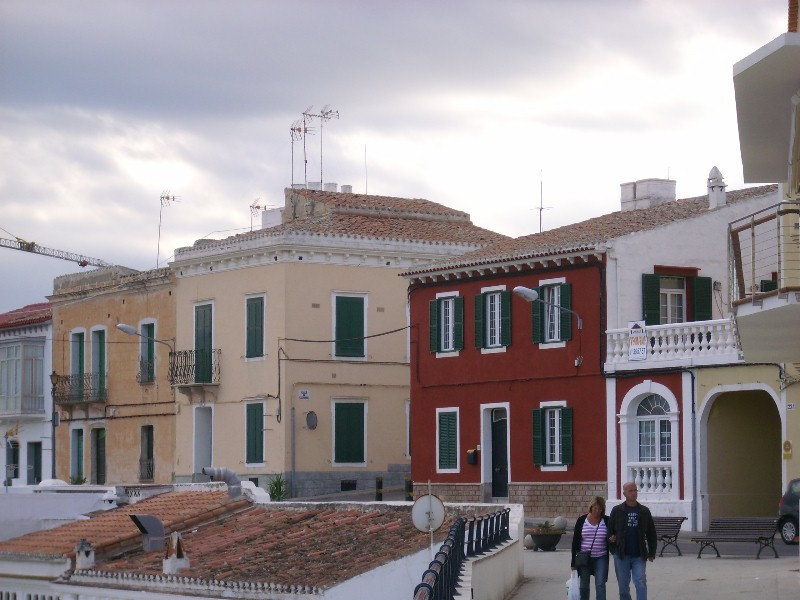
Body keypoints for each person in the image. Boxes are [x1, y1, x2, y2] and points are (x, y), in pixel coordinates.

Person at [607, 482, 657, 600]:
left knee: (640, 582)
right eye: (630, 491)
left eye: (635, 490)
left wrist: (652, 552)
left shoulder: (644, 511)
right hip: (621, 554)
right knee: (623, 588)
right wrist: (613, 548)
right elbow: (609, 532)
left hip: (639, 555)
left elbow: (651, 533)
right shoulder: (617, 510)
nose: (634, 493)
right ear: (624, 493)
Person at [571, 496, 609, 600]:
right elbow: (575, 542)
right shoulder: (582, 520)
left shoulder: (606, 520)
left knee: (600, 584)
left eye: (600, 509)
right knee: (584, 585)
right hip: (584, 558)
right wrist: (573, 562)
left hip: (601, 557)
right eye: (595, 508)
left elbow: (611, 536)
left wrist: (613, 538)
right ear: (591, 507)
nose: (597, 511)